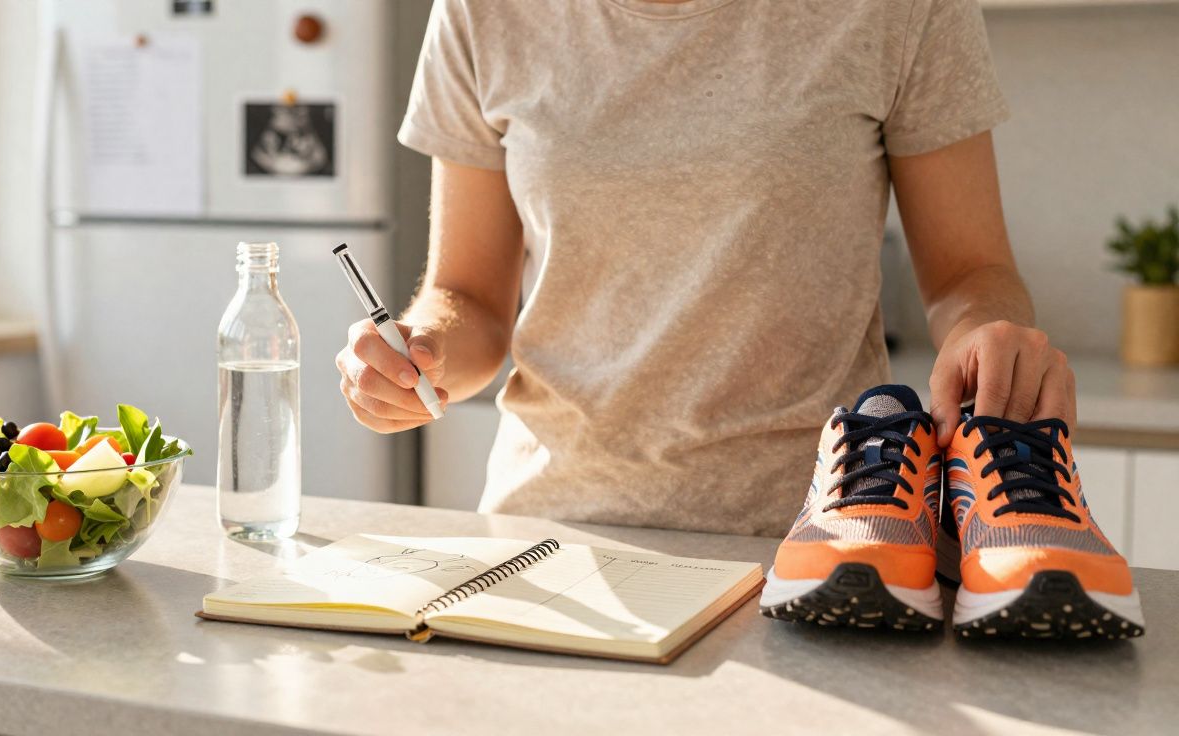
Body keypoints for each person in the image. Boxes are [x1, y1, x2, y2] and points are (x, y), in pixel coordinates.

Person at [335, 0, 1075, 537]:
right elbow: (468, 297)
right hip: (552, 535)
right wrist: (420, 355)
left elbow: (968, 273)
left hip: (820, 532)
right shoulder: (482, 13)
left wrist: (989, 331)